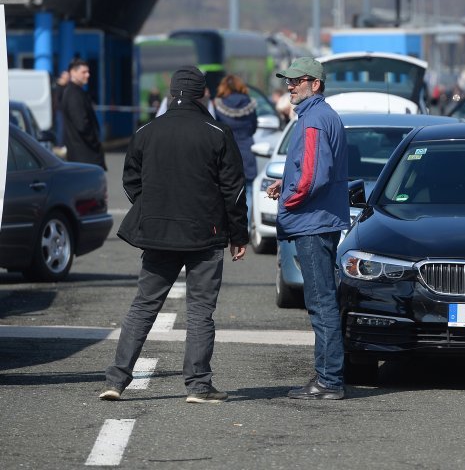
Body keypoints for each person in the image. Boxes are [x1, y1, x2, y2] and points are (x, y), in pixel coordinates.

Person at [99, 65, 249, 403]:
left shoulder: (146, 131)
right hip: (205, 234)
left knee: (143, 306)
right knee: (200, 311)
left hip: (157, 232)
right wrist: (238, 234)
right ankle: (198, 385)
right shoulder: (217, 132)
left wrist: (151, 208)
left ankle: (115, 380)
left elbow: (130, 181)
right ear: (203, 94)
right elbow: (234, 190)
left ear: (171, 93)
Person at [266, 57, 349, 400]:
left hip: (312, 223)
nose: (290, 86)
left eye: (296, 81)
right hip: (321, 220)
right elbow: (310, 170)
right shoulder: (321, 116)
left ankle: (329, 381)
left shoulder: (313, 119)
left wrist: (288, 200)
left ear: (315, 84)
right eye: (287, 81)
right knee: (323, 300)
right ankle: (328, 376)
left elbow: (314, 176)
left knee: (320, 302)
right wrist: (284, 184)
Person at [213, 74, 258, 228]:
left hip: (226, 151)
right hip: (247, 149)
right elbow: (253, 127)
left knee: (225, 189)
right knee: (249, 190)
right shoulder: (249, 104)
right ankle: (244, 227)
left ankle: (226, 226)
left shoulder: (218, 105)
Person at [61, 59, 106, 170]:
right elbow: (82, 124)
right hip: (84, 156)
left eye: (88, 72)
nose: (88, 75)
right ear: (73, 72)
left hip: (84, 155)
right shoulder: (73, 94)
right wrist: (95, 142)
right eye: (84, 72)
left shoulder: (78, 92)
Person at [51, 69, 69, 148]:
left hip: (62, 110)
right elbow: (57, 100)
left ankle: (62, 144)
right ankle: (60, 145)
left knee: (63, 128)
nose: (68, 79)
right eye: (67, 77)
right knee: (61, 128)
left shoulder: (65, 86)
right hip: (60, 111)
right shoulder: (59, 86)